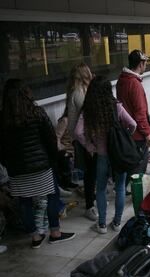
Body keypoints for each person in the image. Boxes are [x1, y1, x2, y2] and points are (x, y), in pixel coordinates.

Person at [0, 79, 75, 248]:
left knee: (25, 202)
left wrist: (9, 165)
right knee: (52, 196)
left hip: (17, 170)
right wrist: (52, 160)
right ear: (26, 93)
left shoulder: (3, 119)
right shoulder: (37, 112)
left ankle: (35, 237)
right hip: (41, 167)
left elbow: (2, 148)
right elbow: (49, 139)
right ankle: (55, 233)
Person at [75, 76, 137, 234]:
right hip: (118, 155)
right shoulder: (116, 107)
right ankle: (117, 223)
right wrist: (125, 136)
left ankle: (102, 224)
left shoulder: (89, 110)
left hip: (101, 155)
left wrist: (90, 146)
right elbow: (133, 124)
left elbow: (77, 132)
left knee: (101, 189)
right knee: (120, 187)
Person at [66, 62, 97, 221]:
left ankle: (92, 199)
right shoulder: (78, 93)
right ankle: (90, 205)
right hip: (83, 139)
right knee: (90, 172)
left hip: (83, 137)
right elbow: (89, 111)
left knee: (91, 172)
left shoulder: (77, 91)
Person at [116, 50, 150, 175]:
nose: (146, 65)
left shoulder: (122, 80)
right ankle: (136, 192)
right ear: (141, 64)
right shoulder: (134, 83)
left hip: (125, 130)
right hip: (137, 134)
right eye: (145, 62)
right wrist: (147, 133)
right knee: (138, 168)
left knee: (128, 166)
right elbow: (140, 112)